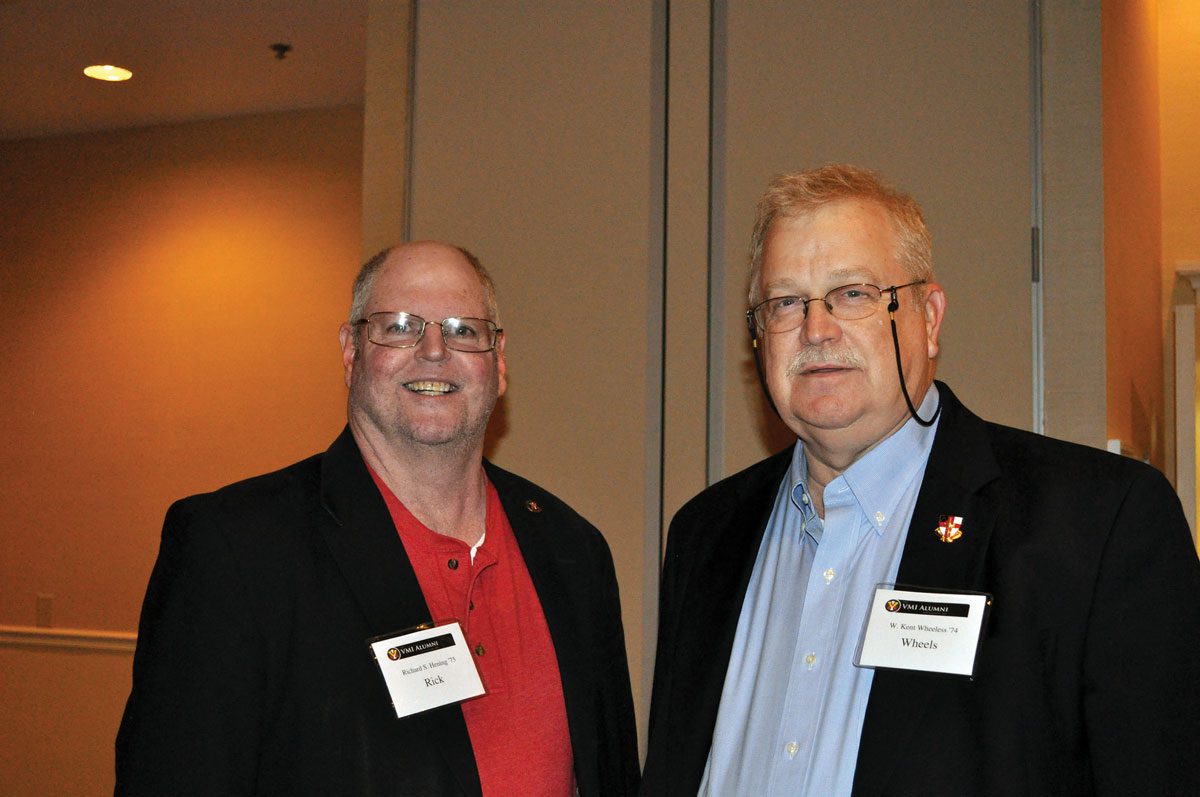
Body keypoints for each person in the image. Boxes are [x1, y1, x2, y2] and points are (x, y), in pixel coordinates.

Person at [642, 164, 1200, 795]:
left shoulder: (1097, 525)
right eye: (786, 303)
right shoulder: (704, 535)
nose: (816, 329)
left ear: (929, 318)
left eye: (853, 293)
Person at [116, 242, 639, 795]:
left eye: (463, 330)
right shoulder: (235, 550)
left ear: (499, 361)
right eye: (400, 326)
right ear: (350, 351)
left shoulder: (572, 550)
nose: (434, 350)